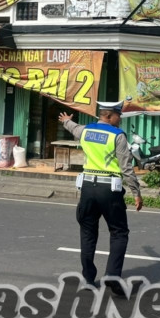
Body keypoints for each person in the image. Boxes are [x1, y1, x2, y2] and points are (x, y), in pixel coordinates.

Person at [58, 100, 143, 296]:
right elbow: (126, 168)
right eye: (118, 115)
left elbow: (73, 128)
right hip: (109, 191)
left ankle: (88, 279)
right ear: (108, 116)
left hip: (87, 188)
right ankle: (112, 276)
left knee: (87, 233)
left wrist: (66, 121)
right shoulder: (118, 136)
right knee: (119, 232)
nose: (120, 119)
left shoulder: (86, 131)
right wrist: (136, 192)